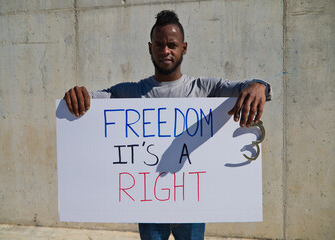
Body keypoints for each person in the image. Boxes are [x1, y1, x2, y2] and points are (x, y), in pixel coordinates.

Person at [63, 10, 271, 240]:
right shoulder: (129, 93)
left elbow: (248, 87)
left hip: (192, 205)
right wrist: (76, 96)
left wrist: (260, 85)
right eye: (159, 44)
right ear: (150, 47)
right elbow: (89, 102)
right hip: (150, 208)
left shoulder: (205, 88)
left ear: (184, 48)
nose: (165, 51)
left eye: (172, 44)